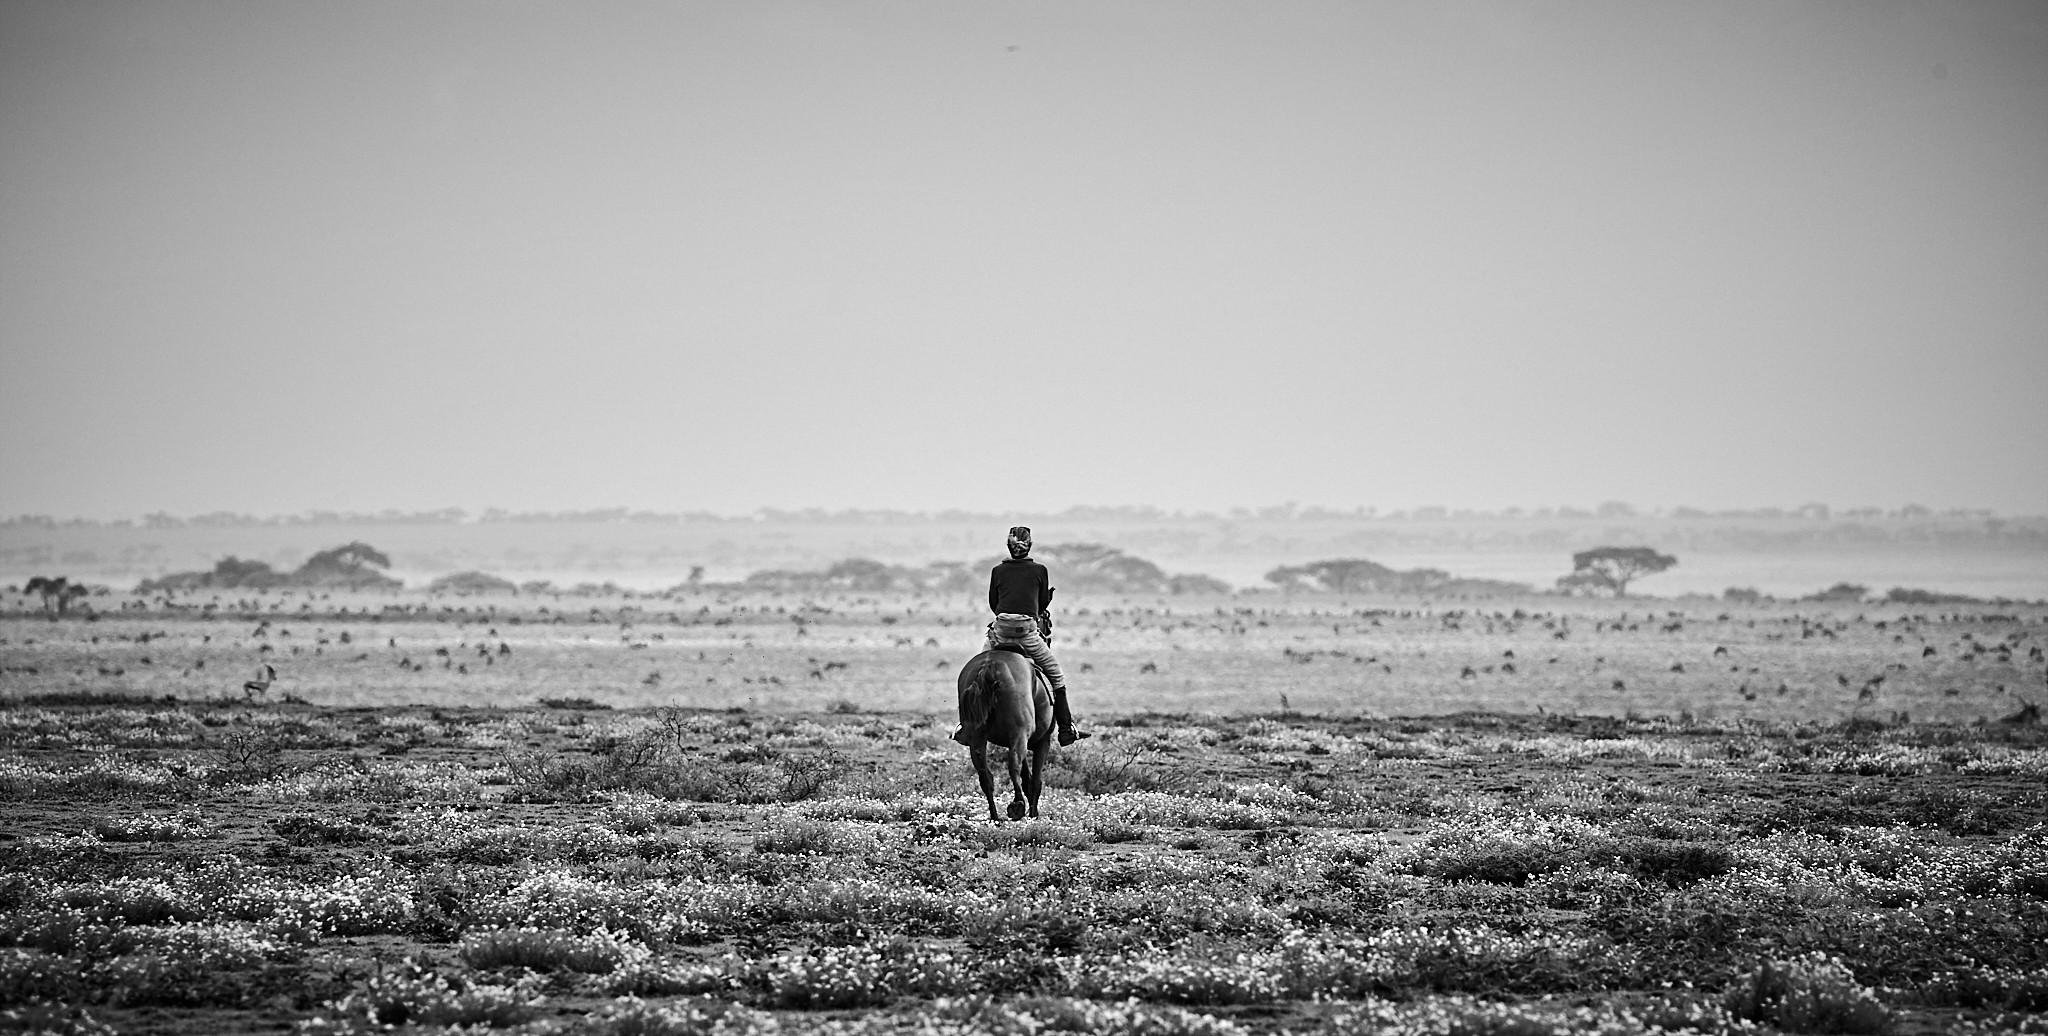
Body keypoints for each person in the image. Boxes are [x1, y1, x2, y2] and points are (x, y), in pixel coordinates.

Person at [957, 526, 1088, 746]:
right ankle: (1066, 729)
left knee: (976, 673)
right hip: (1027, 634)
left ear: (1008, 546)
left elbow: (993, 603)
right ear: (1030, 546)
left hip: (1000, 633)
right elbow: (1043, 604)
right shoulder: (1040, 571)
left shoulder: (997, 571)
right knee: (1056, 676)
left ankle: (965, 726)